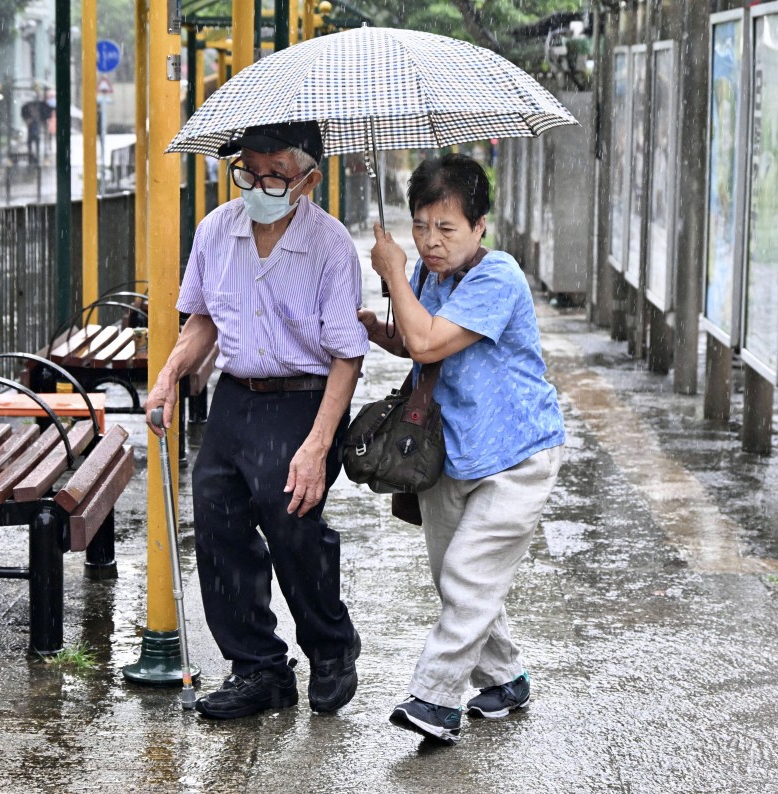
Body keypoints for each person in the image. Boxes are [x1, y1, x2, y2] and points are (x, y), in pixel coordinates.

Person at [145, 121, 370, 720]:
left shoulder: (329, 245)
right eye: (249, 171)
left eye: (276, 175)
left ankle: (330, 648)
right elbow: (201, 321)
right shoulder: (217, 230)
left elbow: (348, 353)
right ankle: (259, 668)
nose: (259, 185)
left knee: (292, 520)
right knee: (218, 529)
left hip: (305, 396)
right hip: (236, 395)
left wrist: (319, 445)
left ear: (309, 180)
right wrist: (169, 375)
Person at [359, 153, 565, 744]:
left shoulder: (497, 277)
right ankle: (505, 679)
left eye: (446, 228)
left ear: (479, 227)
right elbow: (419, 341)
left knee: (471, 578)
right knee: (456, 578)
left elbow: (428, 340)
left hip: (517, 458)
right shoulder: (429, 275)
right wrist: (384, 330)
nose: (429, 241)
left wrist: (395, 273)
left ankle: (436, 699)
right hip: (453, 453)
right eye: (421, 226)